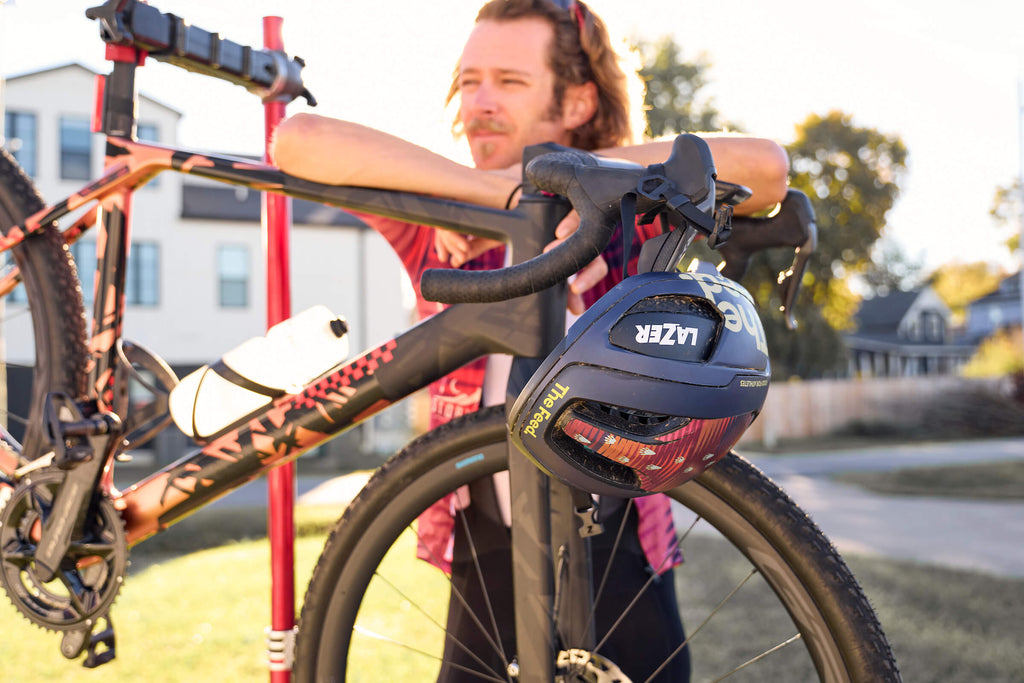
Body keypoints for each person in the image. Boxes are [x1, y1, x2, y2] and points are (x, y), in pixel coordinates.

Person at [273, 1, 788, 679]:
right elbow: (296, 141)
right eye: (469, 80)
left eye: (509, 82)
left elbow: (766, 167)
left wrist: (569, 176)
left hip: (618, 532)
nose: (480, 102)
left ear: (576, 100)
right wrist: (485, 191)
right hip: (486, 538)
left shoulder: (634, 213)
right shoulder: (441, 218)